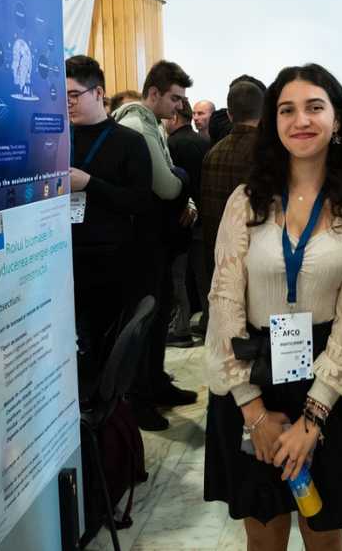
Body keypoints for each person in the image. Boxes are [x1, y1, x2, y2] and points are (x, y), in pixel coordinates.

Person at [203, 63, 342, 551]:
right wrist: (253, 411)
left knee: (324, 533)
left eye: (314, 107)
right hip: (251, 370)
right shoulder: (247, 201)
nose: (300, 120)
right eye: (286, 110)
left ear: (338, 119)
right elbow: (223, 300)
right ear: (272, 122)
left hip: (327, 378)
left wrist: (313, 418)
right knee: (264, 534)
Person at [113, 59, 197, 431]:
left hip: (153, 239)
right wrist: (182, 180)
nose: (180, 106)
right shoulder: (137, 126)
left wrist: (182, 188)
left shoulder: (151, 126)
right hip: (140, 242)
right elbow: (166, 184)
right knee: (145, 321)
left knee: (158, 315)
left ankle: (156, 383)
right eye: (175, 98)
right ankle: (139, 397)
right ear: (154, 94)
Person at [65, 55, 154, 381]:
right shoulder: (58, 138)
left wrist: (89, 183)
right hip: (61, 262)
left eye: (74, 95)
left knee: (105, 355)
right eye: (62, 97)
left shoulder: (129, 142)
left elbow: (140, 202)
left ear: (98, 93)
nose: (68, 103)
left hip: (110, 265)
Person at [202, 80, 266, 301]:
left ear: (229, 114)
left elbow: (208, 211)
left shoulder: (213, 153)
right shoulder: (269, 154)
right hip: (261, 258)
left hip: (221, 258)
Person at [165, 97, 212, 348]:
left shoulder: (171, 144)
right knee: (204, 275)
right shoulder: (203, 142)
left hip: (183, 219)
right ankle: (209, 322)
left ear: (173, 117)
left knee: (179, 278)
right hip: (205, 219)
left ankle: (180, 328)